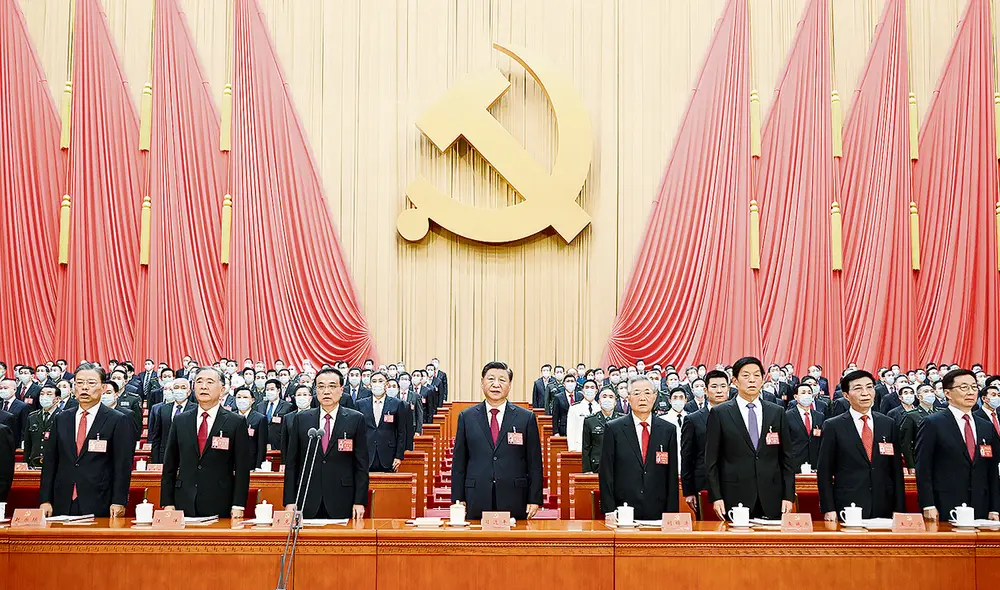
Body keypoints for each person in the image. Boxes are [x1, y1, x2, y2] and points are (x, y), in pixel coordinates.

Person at [39, 363, 136, 517]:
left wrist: (119, 501)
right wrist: (45, 500)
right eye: (79, 383)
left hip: (99, 499)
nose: (84, 388)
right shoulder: (62, 418)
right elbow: (50, 462)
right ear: (73, 387)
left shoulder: (117, 420)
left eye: (91, 383)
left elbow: (122, 465)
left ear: (103, 388)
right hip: (62, 498)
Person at [705, 356, 795, 520]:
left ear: (762, 379)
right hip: (733, 495)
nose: (752, 380)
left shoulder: (776, 412)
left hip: (772, 495)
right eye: (746, 376)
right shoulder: (720, 413)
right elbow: (711, 460)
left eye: (756, 375)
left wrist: (788, 496)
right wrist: (716, 497)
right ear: (735, 381)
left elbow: (787, 458)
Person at [451, 361, 543, 520]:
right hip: (476, 494)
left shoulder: (525, 418)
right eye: (491, 379)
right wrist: (458, 499)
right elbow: (459, 461)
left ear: (510, 385)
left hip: (515, 495)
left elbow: (534, 462)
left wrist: (534, 499)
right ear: (482, 382)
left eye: (502, 380)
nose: (496, 384)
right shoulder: (467, 417)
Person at [161, 367, 251, 519]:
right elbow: (170, 464)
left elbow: (242, 468)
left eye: (210, 382)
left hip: (220, 501)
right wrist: (167, 502)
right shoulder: (180, 420)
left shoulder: (236, 422)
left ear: (222, 389)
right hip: (183, 501)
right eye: (199, 382)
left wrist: (238, 505)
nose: (203, 386)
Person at [817, 370, 905, 520]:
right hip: (848, 505)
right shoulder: (833, 426)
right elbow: (824, 471)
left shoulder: (888, 424)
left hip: (884, 504)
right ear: (846, 395)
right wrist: (829, 508)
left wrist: (900, 508)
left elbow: (896, 470)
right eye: (858, 388)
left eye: (869, 387)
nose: (866, 393)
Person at [283, 368, 368, 519]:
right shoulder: (301, 419)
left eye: (332, 386)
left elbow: (361, 465)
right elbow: (292, 463)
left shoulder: (356, 419)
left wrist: (359, 501)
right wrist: (289, 501)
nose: (326, 391)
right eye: (321, 386)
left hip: (343, 497)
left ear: (342, 390)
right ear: (315, 390)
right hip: (307, 497)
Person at [915, 369, 1000, 521]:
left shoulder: (986, 426)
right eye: (964, 387)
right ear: (947, 393)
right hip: (945, 505)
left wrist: (995, 507)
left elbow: (992, 470)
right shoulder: (933, 423)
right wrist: (928, 504)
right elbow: (923, 467)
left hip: (981, 505)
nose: (971, 392)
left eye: (974, 387)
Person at [599, 375, 679, 519]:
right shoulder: (614, 429)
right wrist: (609, 509)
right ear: (628, 398)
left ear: (655, 397)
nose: (642, 398)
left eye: (647, 393)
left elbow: (671, 475)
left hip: (658, 508)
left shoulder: (668, 430)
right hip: (623, 508)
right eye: (636, 393)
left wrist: (672, 512)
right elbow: (606, 472)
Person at [681, 370, 730, 511]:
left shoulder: (738, 416)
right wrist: (689, 491)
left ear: (728, 388)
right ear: (706, 390)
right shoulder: (693, 419)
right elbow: (687, 456)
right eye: (714, 387)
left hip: (735, 484)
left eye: (723, 386)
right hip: (704, 484)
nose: (719, 391)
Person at [357, 372, 406, 473]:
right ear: (370, 385)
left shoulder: (397, 404)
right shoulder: (360, 404)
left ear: (386, 384)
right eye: (374, 381)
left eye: (380, 381)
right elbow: (356, 432)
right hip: (366, 454)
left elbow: (401, 432)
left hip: (388, 454)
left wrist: (399, 456)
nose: (377, 384)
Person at [148, 378, 196, 463]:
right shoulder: (163, 409)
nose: (179, 390)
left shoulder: (196, 409)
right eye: (176, 387)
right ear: (173, 391)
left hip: (189, 457)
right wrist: (155, 459)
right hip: (165, 455)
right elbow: (157, 437)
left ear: (189, 392)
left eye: (183, 387)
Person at [582, 387, 623, 473]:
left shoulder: (623, 420)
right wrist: (587, 470)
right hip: (597, 464)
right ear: (599, 401)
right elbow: (586, 447)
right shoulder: (590, 420)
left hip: (620, 465)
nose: (607, 399)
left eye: (611, 397)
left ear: (615, 402)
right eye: (604, 396)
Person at [786, 384, 825, 473]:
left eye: (809, 393)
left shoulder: (819, 416)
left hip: (815, 462)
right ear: (796, 397)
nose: (807, 395)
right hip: (795, 462)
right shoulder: (787, 416)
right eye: (803, 393)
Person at [899, 384, 939, 469]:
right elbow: (906, 444)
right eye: (926, 391)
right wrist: (911, 466)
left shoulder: (941, 413)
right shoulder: (911, 415)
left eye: (932, 391)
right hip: (921, 459)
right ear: (919, 396)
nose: (930, 394)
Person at [23, 383, 61, 469]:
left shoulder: (63, 416)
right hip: (34, 463)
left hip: (55, 464)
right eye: (42, 394)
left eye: (49, 394)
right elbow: (28, 443)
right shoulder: (32, 416)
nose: (44, 396)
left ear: (57, 399)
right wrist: (26, 463)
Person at [233, 386, 268, 470]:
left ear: (252, 400)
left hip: (250, 464)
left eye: (245, 397)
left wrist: (258, 466)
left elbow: (261, 446)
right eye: (239, 397)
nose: (242, 400)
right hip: (231, 463)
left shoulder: (260, 418)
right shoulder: (230, 417)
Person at [255, 379, 294, 453]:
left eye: (272, 389)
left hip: (279, 445)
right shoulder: (259, 406)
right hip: (261, 445)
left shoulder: (288, 406)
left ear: (278, 390)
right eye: (267, 389)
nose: (269, 392)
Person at [567, 379, 600, 452]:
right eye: (587, 387)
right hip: (579, 447)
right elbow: (570, 429)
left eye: (592, 387)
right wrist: (572, 448)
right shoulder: (574, 408)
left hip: (597, 448)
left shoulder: (600, 408)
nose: (589, 390)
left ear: (596, 391)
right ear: (583, 390)